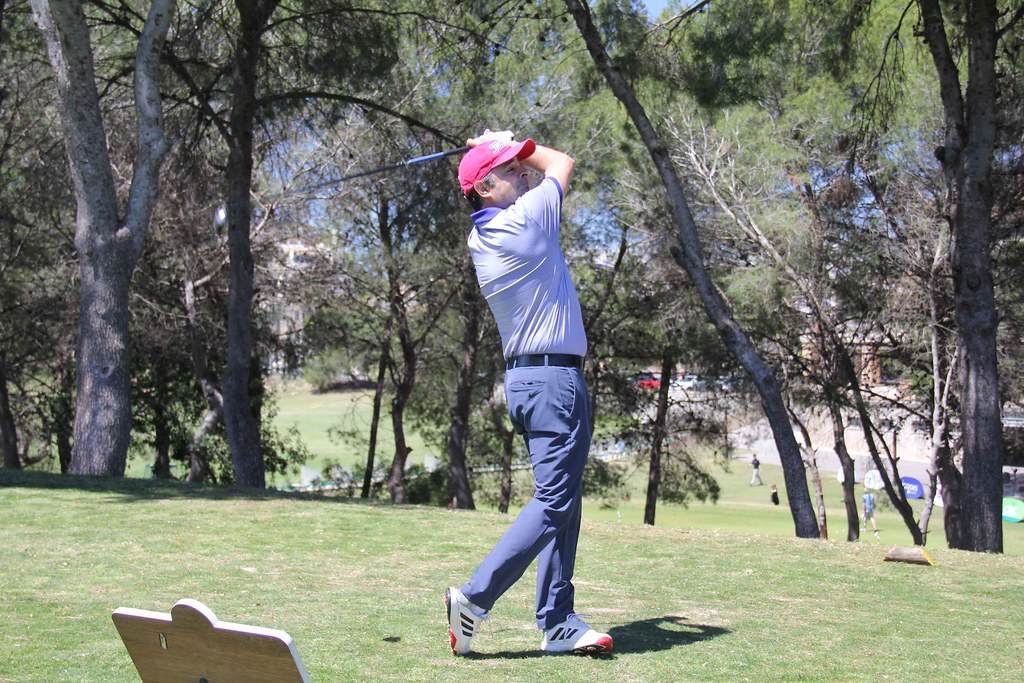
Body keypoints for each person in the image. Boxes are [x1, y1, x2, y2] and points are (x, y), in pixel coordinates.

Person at [443, 130, 613, 656]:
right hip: (553, 381)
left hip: (531, 381)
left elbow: (541, 170)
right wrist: (510, 140)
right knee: (556, 499)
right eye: (511, 170)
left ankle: (557, 621)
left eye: (520, 166)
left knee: (563, 498)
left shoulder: (484, 234)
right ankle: (474, 598)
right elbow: (561, 160)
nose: (523, 172)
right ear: (485, 189)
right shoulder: (524, 221)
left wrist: (501, 150)